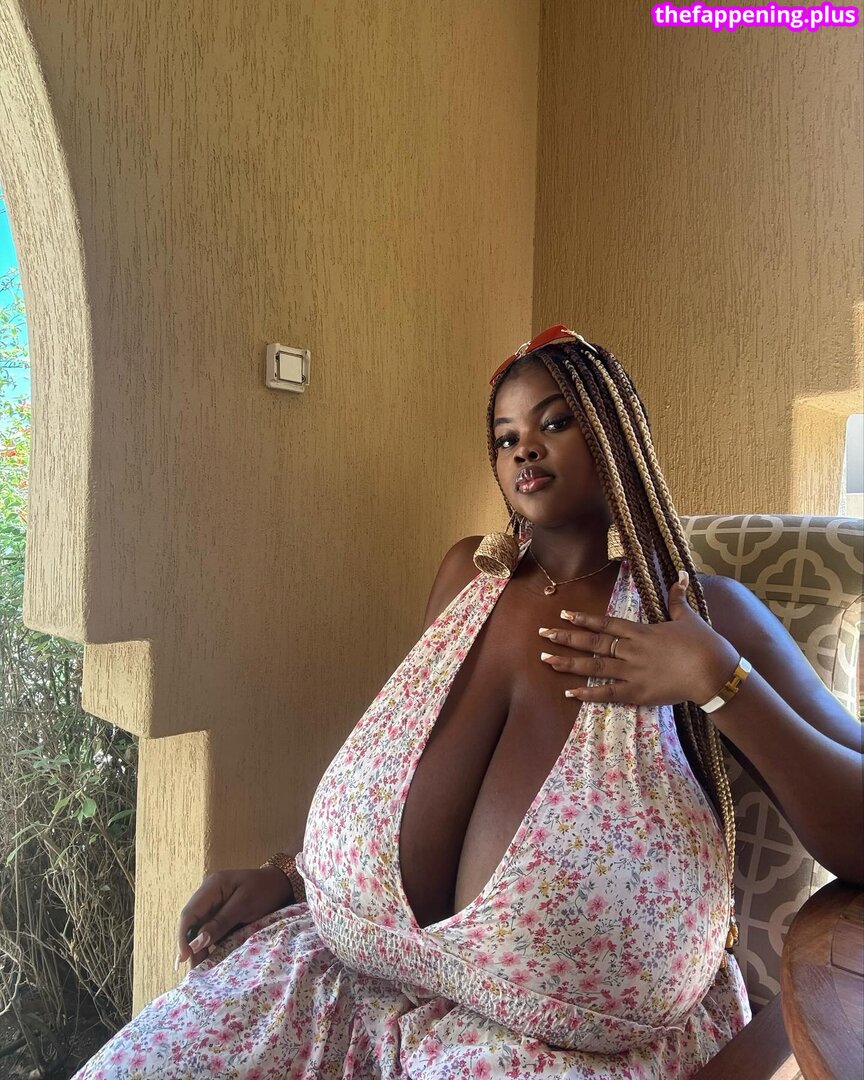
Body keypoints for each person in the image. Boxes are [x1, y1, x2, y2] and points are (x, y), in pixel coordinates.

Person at [74, 326, 863, 1080]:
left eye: (555, 421)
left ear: (619, 435)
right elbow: (397, 783)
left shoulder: (698, 614)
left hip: (550, 1050)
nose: (525, 446)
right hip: (340, 982)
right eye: (504, 434)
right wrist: (294, 876)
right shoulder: (466, 578)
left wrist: (719, 680)